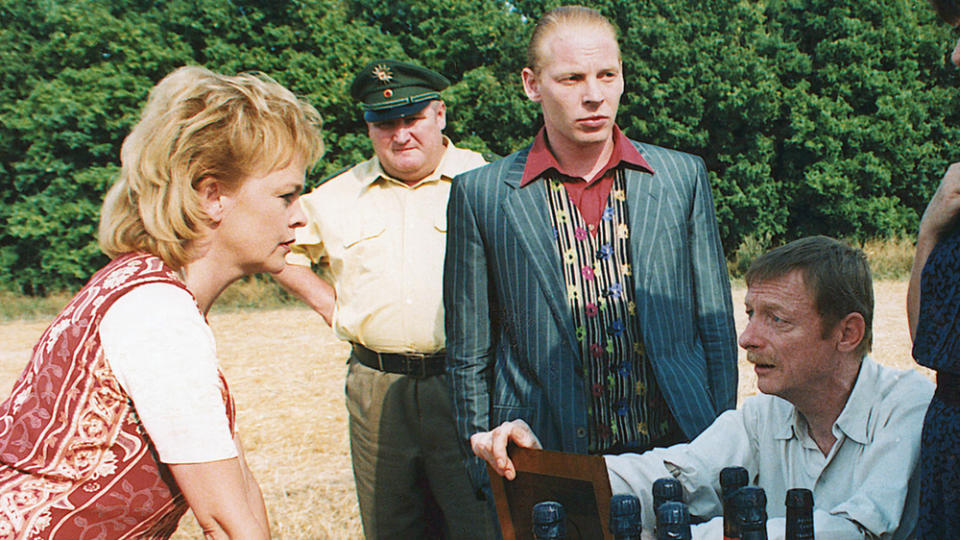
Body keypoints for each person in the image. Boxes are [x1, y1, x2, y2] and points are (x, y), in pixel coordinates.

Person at [0, 65, 323, 538]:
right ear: (212, 195)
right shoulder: (159, 315)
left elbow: (238, 487)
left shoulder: (146, 287)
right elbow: (225, 521)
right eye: (286, 195)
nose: (299, 218)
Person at [444, 5, 737, 494]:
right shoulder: (483, 194)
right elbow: (469, 350)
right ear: (532, 84)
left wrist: (724, 441)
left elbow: (715, 325)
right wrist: (484, 462)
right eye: (571, 78)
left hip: (678, 447)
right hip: (544, 454)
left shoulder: (681, 178)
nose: (594, 96)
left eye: (607, 75)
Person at [476, 236, 934, 539]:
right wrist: (538, 467)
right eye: (751, 313)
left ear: (847, 333)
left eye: (776, 319)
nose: (748, 338)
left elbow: (863, 528)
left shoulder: (909, 405)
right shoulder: (762, 416)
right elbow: (676, 473)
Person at [272, 59, 493, 538]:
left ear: (440, 114)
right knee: (391, 526)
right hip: (375, 387)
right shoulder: (335, 197)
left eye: (411, 119)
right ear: (369, 127)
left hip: (468, 386)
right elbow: (275, 251)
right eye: (384, 124)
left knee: (481, 522)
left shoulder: (490, 183)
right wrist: (334, 309)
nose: (400, 135)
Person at [906, 2, 960, 537]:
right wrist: (930, 232)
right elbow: (926, 342)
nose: (955, 53)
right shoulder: (956, 184)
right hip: (949, 433)